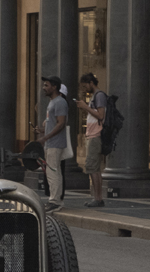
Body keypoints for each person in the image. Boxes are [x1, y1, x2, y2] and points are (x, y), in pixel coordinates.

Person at [33, 76, 68, 212]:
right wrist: (42, 131)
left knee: (53, 172)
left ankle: (55, 201)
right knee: (53, 171)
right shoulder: (53, 102)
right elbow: (54, 124)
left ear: (54, 87)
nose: (44, 88)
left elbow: (61, 123)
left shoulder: (59, 102)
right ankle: (55, 200)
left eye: (46, 85)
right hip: (51, 143)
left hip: (54, 143)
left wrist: (45, 137)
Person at [76, 73, 107, 208]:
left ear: (90, 83)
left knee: (93, 167)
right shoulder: (95, 96)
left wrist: (85, 107)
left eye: (85, 86)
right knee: (94, 168)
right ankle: (97, 197)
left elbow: (100, 115)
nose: (84, 89)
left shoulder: (99, 95)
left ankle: (98, 198)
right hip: (93, 135)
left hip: (96, 135)